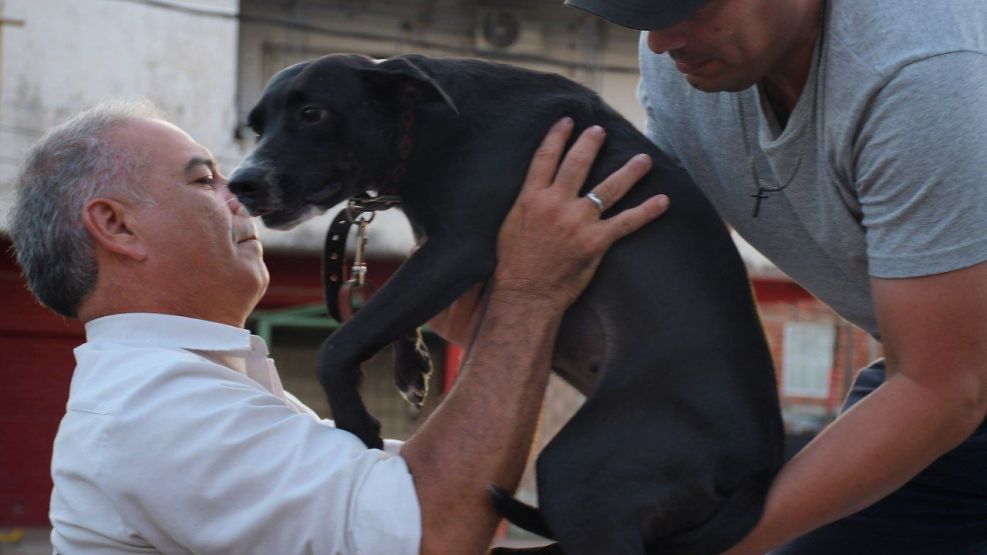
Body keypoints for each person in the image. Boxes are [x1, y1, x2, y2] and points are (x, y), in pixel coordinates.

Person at [9, 100, 668, 554]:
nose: (237, 194)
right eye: (205, 179)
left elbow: (407, 492)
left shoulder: (180, 386)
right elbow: (433, 528)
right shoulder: (153, 408)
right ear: (116, 226)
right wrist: (529, 291)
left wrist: (500, 317)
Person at [560, 0, 987, 553]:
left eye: (683, 6)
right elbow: (655, 283)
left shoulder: (922, 73)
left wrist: (719, 543)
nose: (661, 41)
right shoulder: (685, 63)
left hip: (948, 387)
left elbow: (943, 389)